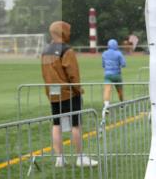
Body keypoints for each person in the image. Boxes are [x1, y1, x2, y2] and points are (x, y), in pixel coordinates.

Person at [41, 21, 96, 167]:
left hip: (53, 92)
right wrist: (78, 89)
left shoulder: (45, 51)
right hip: (68, 92)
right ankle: (80, 157)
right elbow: (73, 74)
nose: (69, 33)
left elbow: (45, 74)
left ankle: (59, 158)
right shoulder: (67, 50)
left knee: (57, 124)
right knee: (75, 125)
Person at [101, 38, 126, 104]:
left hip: (107, 75)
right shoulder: (119, 53)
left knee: (107, 90)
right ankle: (122, 103)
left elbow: (103, 65)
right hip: (117, 74)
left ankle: (106, 105)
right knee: (120, 90)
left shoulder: (104, 53)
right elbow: (123, 64)